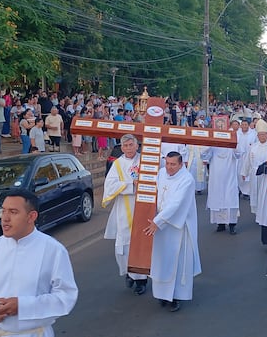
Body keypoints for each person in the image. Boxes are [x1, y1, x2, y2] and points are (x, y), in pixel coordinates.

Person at [0, 191, 78, 336]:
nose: (5, 218)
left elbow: (66, 296)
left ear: (31, 216)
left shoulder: (53, 250)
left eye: (13, 212)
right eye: (3, 211)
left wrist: (22, 306)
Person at [143, 151, 200, 313]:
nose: (169, 167)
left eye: (173, 164)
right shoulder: (161, 173)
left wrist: (158, 222)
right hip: (160, 224)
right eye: (167, 163)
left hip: (177, 226)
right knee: (161, 259)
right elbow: (152, 193)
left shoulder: (187, 179)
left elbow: (176, 204)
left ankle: (176, 296)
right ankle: (161, 294)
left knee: (177, 260)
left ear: (181, 164)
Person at [102, 134, 148, 294]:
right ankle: (129, 272)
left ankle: (141, 279)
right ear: (121, 148)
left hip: (144, 207)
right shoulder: (118, 164)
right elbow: (110, 185)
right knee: (125, 243)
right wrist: (130, 185)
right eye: (125, 146)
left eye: (131, 145)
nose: (128, 148)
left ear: (137, 146)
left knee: (141, 243)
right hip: (124, 208)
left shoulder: (146, 160)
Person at [203, 136, 243, 234]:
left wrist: (234, 145)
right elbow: (204, 156)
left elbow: (238, 154)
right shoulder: (214, 146)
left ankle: (232, 225)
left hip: (229, 179)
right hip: (216, 180)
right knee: (217, 200)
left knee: (230, 201)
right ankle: (220, 224)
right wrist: (209, 145)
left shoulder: (230, 146)